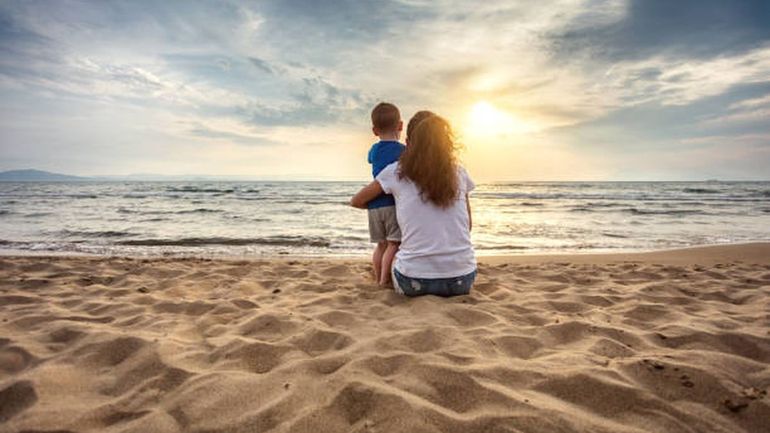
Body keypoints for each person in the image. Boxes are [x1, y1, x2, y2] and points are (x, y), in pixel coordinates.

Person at [351, 113, 476, 297]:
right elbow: (468, 226)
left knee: (393, 252)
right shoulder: (459, 172)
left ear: (408, 143)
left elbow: (357, 201)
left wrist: (397, 205)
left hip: (414, 281)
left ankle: (383, 280)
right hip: (462, 280)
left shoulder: (395, 171)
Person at [365, 102, 406, 286]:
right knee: (393, 244)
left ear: (374, 131)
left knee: (380, 245)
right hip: (391, 203)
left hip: (373, 204)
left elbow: (370, 160)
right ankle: (384, 280)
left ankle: (377, 275)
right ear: (400, 126)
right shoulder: (402, 151)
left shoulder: (374, 150)